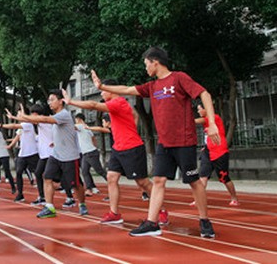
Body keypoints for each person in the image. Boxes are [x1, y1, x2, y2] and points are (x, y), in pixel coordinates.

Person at [92, 46, 218, 238]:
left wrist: (212, 123)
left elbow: (205, 94)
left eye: (146, 64)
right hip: (164, 143)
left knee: (193, 181)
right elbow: (126, 89)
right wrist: (101, 87)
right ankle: (152, 222)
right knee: (158, 180)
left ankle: (204, 221)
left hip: (184, 141)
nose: (145, 69)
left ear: (155, 62)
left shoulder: (179, 78)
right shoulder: (152, 87)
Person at [63, 83, 168, 226]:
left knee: (142, 182)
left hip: (132, 148)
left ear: (110, 90)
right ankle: (114, 213)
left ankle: (161, 211)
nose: (101, 94)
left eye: (102, 91)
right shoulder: (119, 104)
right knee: (111, 177)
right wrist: (131, 127)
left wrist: (71, 102)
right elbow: (135, 114)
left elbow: (93, 105)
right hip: (118, 148)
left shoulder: (118, 102)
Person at [8, 90, 88, 218]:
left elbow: (44, 119)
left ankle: (82, 204)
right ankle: (49, 207)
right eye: (48, 100)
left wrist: (24, 116)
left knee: (76, 184)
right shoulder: (56, 117)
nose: (49, 102)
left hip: (70, 156)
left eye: (52, 99)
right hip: (55, 155)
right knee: (47, 177)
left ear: (61, 101)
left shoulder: (64, 115)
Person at [193, 103, 239, 206]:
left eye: (200, 109)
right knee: (202, 177)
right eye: (198, 109)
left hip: (220, 153)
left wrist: (182, 120)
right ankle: (198, 199)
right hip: (208, 152)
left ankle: (234, 198)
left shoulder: (214, 118)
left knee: (224, 178)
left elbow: (196, 121)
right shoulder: (206, 122)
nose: (198, 111)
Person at [0, 113, 38, 201]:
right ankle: (20, 194)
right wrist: (10, 145)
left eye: (19, 114)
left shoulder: (28, 124)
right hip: (22, 154)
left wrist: (1, 125)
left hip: (32, 153)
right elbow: (17, 137)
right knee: (18, 172)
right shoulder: (21, 127)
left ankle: (42, 194)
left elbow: (13, 125)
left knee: (38, 173)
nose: (18, 116)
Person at [74, 113, 107, 196]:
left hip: (90, 153)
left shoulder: (81, 126)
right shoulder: (88, 128)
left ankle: (112, 182)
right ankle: (89, 188)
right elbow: (93, 139)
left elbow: (73, 127)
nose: (75, 122)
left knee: (100, 171)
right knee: (85, 171)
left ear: (79, 119)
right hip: (87, 153)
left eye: (76, 120)